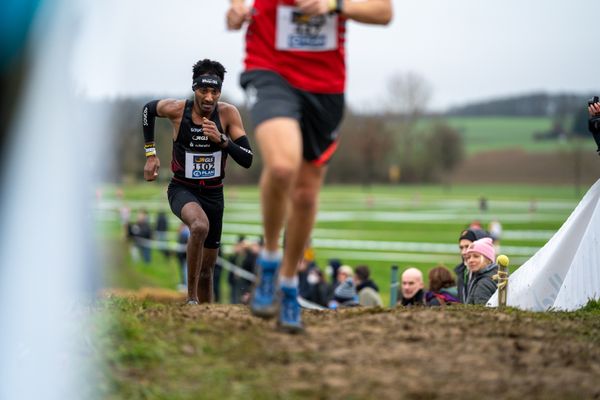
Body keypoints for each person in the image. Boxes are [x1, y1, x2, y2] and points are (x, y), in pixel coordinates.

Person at [226, 0, 393, 332]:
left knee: (304, 194)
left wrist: (334, 5)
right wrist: (235, 8)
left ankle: (288, 285)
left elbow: (383, 11)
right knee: (283, 167)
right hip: (269, 66)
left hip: (324, 85)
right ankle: (270, 260)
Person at [141, 59, 253, 305]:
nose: (209, 97)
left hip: (214, 195)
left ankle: (206, 315)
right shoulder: (177, 110)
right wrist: (151, 154)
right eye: (204, 90)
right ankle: (191, 300)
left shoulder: (228, 114)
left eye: (215, 91)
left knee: (207, 270)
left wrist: (222, 140)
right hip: (183, 189)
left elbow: (248, 159)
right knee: (199, 226)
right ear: (194, 88)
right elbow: (148, 110)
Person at [454, 228, 491, 303]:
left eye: (467, 246)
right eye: (461, 248)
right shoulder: (463, 272)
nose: (464, 252)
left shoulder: (486, 279)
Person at [464, 238, 498, 305]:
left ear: (488, 259)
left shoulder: (483, 284)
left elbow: (481, 313)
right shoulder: (496, 274)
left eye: (476, 256)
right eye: (468, 257)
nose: (470, 260)